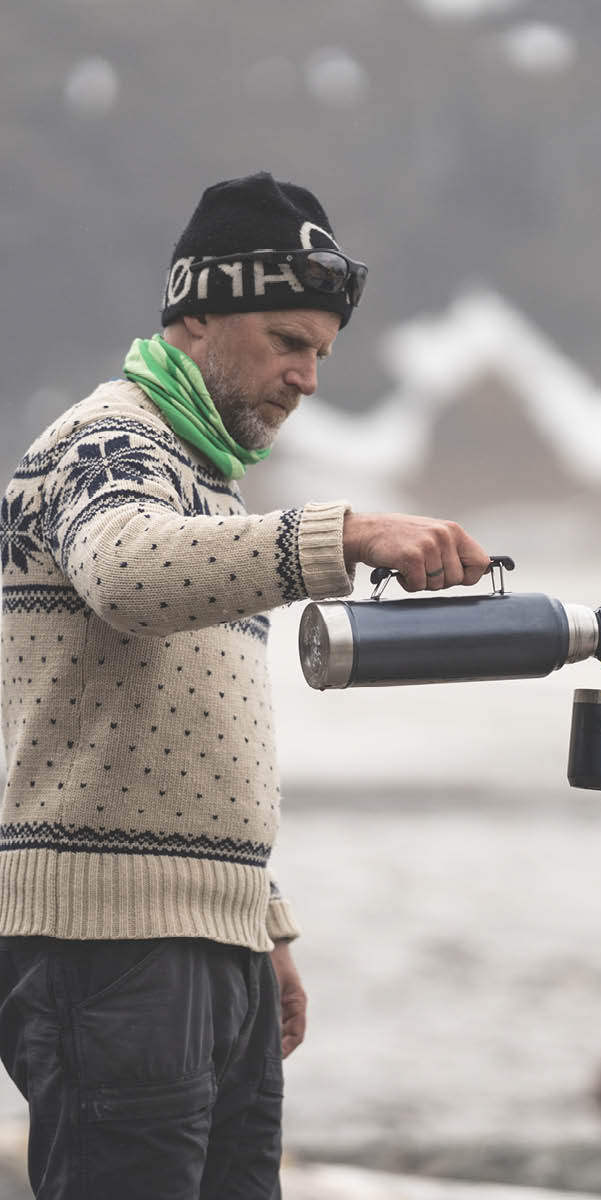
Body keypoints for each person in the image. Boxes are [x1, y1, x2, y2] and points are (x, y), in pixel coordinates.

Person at [0, 171, 491, 1198]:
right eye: (288, 342)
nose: (309, 377)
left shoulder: (203, 481)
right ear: (196, 320)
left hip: (199, 943)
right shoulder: (104, 444)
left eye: (320, 351)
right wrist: (345, 533)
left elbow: (181, 737)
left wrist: (256, 922)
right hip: (108, 950)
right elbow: (126, 573)